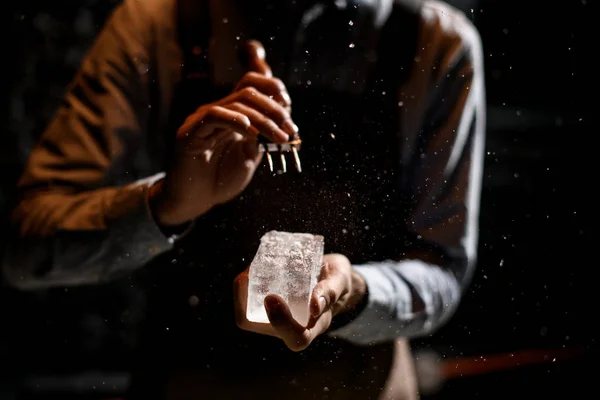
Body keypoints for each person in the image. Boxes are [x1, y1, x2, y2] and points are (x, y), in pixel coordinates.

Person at [2, 0, 485, 398]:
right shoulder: (156, 22)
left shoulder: (436, 44)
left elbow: (442, 265)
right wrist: (166, 204)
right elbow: (26, 249)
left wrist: (355, 293)